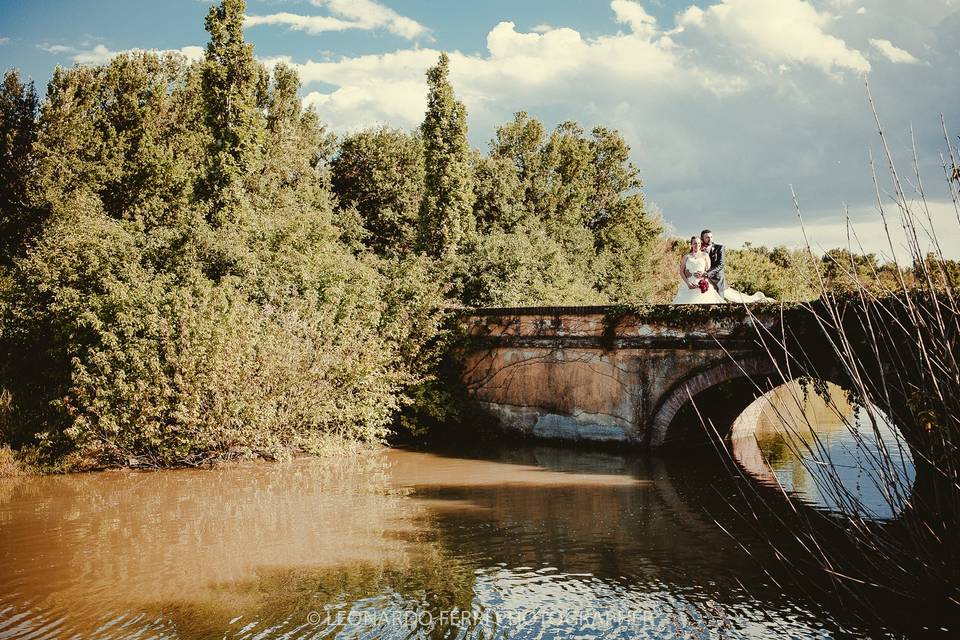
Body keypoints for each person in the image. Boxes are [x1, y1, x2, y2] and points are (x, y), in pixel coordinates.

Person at [696, 229, 773, 304]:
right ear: (702, 238)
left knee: (719, 302)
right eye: (707, 237)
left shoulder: (719, 248)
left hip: (717, 279)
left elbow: (720, 264)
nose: (710, 239)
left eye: (711, 237)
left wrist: (707, 273)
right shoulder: (698, 249)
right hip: (703, 280)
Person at [672, 236, 727, 304]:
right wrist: (688, 283)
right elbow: (681, 271)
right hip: (688, 283)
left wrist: (703, 275)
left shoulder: (705, 255)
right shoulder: (686, 256)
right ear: (691, 244)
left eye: (698, 243)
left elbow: (708, 270)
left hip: (701, 283)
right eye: (695, 243)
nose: (697, 245)